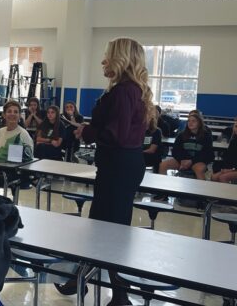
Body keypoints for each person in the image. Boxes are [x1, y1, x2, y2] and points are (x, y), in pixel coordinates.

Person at [60, 38, 154, 304]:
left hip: (119, 166)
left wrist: (86, 131)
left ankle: (120, 294)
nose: (103, 61)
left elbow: (118, 135)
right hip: (121, 164)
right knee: (99, 224)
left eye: (107, 56)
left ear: (121, 59)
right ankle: (81, 277)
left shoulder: (125, 91)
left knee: (110, 231)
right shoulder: (130, 89)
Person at [158, 110, 214, 180]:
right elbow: (175, 151)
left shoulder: (206, 135)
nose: (190, 123)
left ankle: (201, 190)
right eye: (189, 121)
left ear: (199, 123)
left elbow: (208, 154)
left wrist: (191, 161)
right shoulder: (181, 135)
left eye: (193, 121)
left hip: (197, 161)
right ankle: (163, 188)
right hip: (182, 160)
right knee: (162, 165)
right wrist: (183, 160)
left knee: (199, 170)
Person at [211, 118, 237, 183]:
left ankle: (228, 193)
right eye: (236, 126)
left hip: (234, 169)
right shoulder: (234, 141)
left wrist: (232, 169)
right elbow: (228, 157)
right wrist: (225, 169)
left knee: (223, 178)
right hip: (232, 168)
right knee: (213, 177)